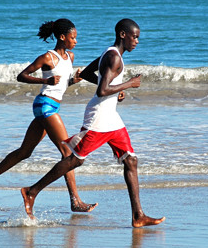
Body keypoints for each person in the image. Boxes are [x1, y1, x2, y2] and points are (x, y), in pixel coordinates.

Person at [21, 18, 165, 227]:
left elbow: (89, 74)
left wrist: (117, 87)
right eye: (134, 37)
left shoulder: (110, 54)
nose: (137, 41)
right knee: (76, 159)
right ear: (123, 35)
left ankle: (138, 216)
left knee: (130, 160)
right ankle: (31, 192)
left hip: (111, 117)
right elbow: (102, 90)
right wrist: (129, 83)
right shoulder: (114, 57)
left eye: (138, 38)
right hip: (99, 116)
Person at [0, 18, 97, 213]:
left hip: (52, 106)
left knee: (25, 152)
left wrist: (73, 80)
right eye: (73, 37)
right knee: (68, 153)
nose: (76, 41)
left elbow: (62, 84)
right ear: (62, 37)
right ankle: (75, 201)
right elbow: (21, 76)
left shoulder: (71, 57)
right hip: (44, 105)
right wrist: (45, 80)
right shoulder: (47, 58)